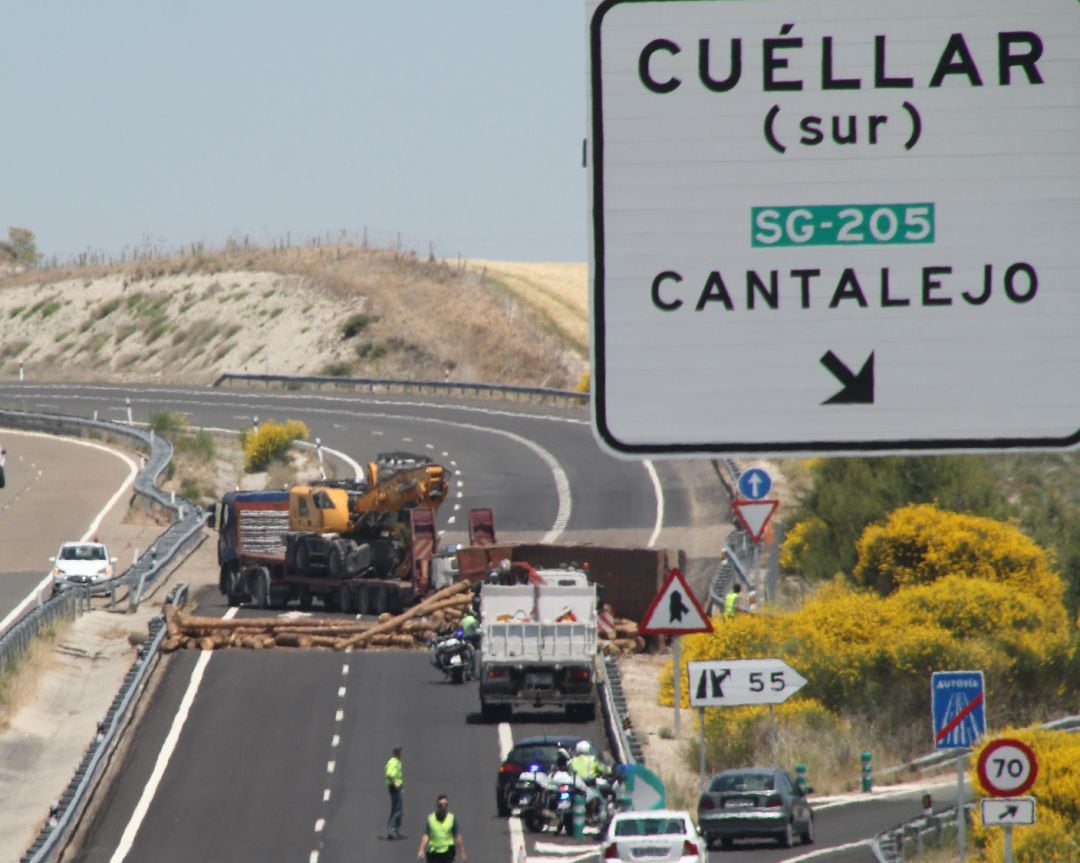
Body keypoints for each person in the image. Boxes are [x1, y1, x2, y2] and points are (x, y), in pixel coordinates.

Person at [417, 794, 466, 863]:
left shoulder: (451, 818)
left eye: (445, 805)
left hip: (448, 852)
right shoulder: (431, 819)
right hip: (434, 852)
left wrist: (462, 853)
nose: (443, 807)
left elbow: (457, 836)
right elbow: (426, 835)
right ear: (437, 806)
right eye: (440, 805)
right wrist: (421, 849)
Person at [385, 746, 405, 840]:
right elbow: (389, 774)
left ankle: (395, 830)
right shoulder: (393, 762)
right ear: (396, 753)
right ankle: (392, 830)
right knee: (398, 810)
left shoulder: (396, 762)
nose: (401, 754)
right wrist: (396, 784)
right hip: (395, 788)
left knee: (397, 809)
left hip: (395, 787)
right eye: (400, 752)